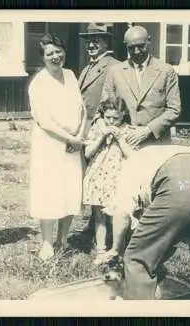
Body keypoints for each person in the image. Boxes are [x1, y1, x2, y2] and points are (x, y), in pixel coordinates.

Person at [104, 145, 190, 300]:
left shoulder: (127, 168)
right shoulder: (156, 154)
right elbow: (169, 236)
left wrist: (117, 250)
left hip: (181, 186)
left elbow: (121, 214)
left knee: (137, 259)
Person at [28, 33, 87, 261]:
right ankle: (47, 243)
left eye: (58, 51)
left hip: (73, 144)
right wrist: (69, 139)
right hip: (50, 145)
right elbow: (44, 121)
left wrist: (79, 135)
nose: (55, 56)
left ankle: (63, 240)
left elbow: (81, 110)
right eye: (49, 53)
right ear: (42, 58)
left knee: (70, 190)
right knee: (49, 192)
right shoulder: (39, 83)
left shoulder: (71, 75)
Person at [101, 25, 182, 148]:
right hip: (124, 143)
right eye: (131, 48)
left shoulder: (166, 71)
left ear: (149, 41)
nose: (136, 51)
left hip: (156, 143)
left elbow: (174, 110)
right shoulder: (115, 72)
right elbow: (104, 108)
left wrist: (148, 130)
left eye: (141, 46)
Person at [77, 22, 121, 249]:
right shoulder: (86, 69)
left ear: (106, 42)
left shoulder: (113, 66)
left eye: (97, 40)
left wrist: (105, 126)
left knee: (105, 181)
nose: (91, 44)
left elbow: (114, 101)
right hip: (85, 131)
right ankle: (93, 224)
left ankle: (108, 232)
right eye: (89, 40)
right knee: (90, 178)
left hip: (102, 131)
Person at [82, 100, 135, 265]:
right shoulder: (97, 129)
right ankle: (100, 251)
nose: (112, 122)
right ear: (102, 116)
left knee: (118, 216)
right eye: (108, 118)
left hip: (118, 178)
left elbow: (132, 156)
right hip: (99, 177)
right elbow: (88, 153)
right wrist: (101, 136)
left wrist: (119, 139)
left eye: (115, 119)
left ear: (122, 117)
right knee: (99, 216)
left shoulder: (127, 131)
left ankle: (118, 252)